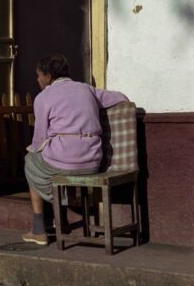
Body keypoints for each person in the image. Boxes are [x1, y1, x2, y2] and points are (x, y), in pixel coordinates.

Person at [22, 53, 129, 246]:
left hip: (63, 162)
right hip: (93, 161)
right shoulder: (87, 89)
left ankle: (39, 228)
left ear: (48, 75)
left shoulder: (43, 97)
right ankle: (57, 213)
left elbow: (39, 138)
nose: (38, 79)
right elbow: (121, 98)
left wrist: (33, 149)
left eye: (39, 75)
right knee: (42, 163)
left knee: (30, 161)